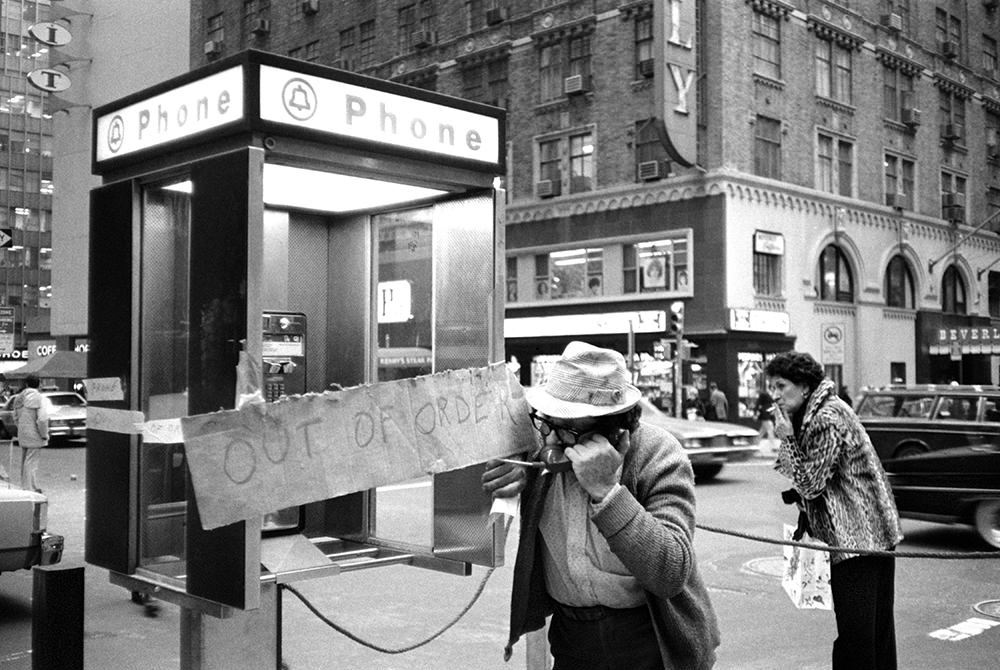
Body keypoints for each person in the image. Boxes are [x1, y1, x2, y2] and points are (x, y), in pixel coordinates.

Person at [481, 341, 720, 669]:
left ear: (613, 431)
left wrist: (607, 492)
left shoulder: (658, 454)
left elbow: (670, 572)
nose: (550, 441)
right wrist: (513, 467)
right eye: (546, 422)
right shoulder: (542, 447)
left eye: (566, 430)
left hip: (649, 640)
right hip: (572, 639)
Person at [766, 351, 902, 670]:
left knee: (857, 636)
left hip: (856, 538)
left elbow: (812, 483)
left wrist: (786, 440)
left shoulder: (827, 417)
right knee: (875, 632)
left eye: (781, 385)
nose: (774, 394)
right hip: (871, 532)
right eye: (771, 386)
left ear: (803, 386)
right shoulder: (822, 412)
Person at [13, 374, 48, 492]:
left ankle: (27, 485)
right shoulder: (38, 398)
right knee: (32, 462)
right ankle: (30, 488)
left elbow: (15, 417)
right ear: (39, 384)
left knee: (25, 461)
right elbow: (42, 419)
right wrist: (44, 434)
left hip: (22, 434)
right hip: (35, 434)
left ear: (27, 384)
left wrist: (21, 429)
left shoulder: (18, 398)